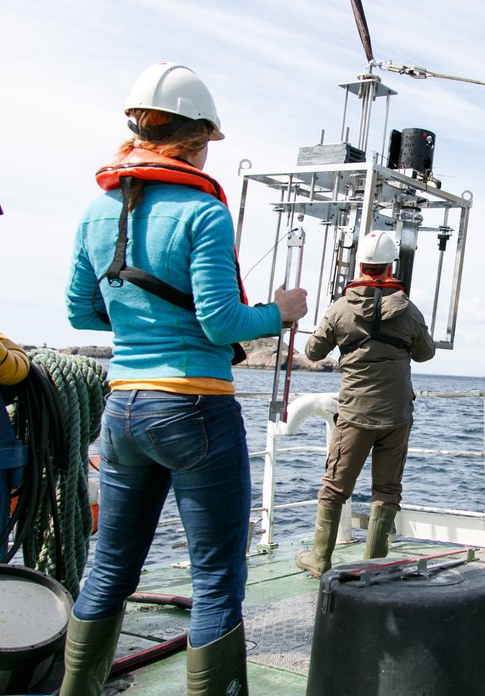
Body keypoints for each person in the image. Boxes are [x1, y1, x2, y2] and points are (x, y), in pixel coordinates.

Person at [62, 62, 307, 696]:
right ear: (197, 141)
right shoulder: (203, 211)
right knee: (217, 578)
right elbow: (223, 322)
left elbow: (80, 310)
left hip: (122, 410)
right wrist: (281, 313)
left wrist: (136, 318)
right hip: (195, 407)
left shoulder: (96, 210)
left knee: (108, 568)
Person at [297, 230, 435, 577]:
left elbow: (312, 352)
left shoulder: (340, 308)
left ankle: (319, 559)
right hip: (397, 415)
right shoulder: (408, 310)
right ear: (391, 266)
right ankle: (373, 565)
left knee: (335, 487)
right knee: (387, 491)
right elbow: (426, 353)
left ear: (360, 264)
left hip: (355, 413)